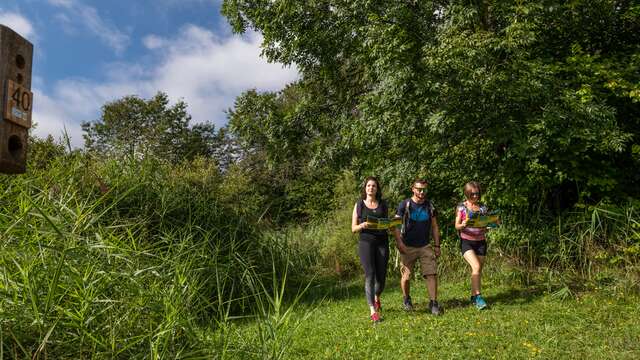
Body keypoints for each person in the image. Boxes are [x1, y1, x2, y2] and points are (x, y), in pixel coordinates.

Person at [394, 178, 442, 315]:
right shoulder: (405, 204)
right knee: (406, 276)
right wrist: (399, 243)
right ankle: (406, 299)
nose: (422, 192)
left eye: (424, 189)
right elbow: (396, 225)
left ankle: (433, 303)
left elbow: (434, 226)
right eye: (419, 189)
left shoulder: (430, 206)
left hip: (425, 246)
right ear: (413, 189)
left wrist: (437, 246)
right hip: (407, 246)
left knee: (431, 273)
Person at [352, 176, 390, 323]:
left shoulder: (383, 204)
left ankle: (376, 297)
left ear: (377, 189)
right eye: (368, 186)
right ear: (365, 188)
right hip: (366, 242)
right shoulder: (359, 205)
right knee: (370, 274)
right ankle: (372, 310)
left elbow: (386, 223)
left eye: (373, 186)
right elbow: (353, 228)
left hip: (382, 242)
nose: (371, 188)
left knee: (381, 278)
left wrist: (390, 225)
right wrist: (362, 225)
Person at [454, 181, 492, 310]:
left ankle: (472, 297)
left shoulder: (483, 208)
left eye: (477, 194)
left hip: (481, 242)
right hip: (467, 242)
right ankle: (479, 297)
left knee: (477, 270)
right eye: (472, 194)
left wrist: (488, 225)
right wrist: (463, 224)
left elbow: (486, 224)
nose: (475, 196)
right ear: (467, 194)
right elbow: (457, 226)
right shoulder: (462, 207)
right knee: (475, 266)